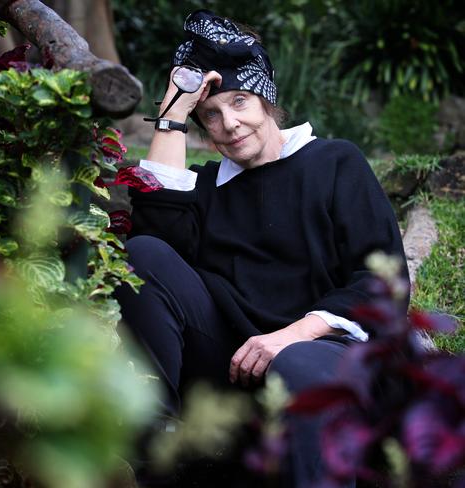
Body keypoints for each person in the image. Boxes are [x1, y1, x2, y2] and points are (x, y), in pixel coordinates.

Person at [115, 9, 410, 487]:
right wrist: (172, 116)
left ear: (269, 101)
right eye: (211, 113)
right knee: (145, 253)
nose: (229, 123)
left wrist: (290, 336)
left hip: (321, 352)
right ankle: (159, 450)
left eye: (240, 102)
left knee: (296, 363)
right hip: (231, 364)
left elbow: (380, 280)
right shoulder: (206, 186)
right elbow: (153, 258)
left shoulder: (335, 162)